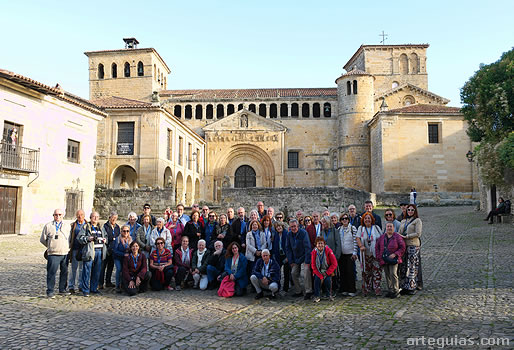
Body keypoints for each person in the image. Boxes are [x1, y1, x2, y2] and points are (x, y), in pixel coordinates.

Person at [40, 209, 71, 298]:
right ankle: (50, 291)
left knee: (64, 272)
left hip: (64, 253)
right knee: (51, 273)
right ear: (53, 215)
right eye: (56, 215)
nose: (57, 216)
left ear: (63, 215)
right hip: (53, 253)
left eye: (59, 215)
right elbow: (43, 239)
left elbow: (69, 238)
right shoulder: (48, 226)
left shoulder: (67, 226)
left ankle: (62, 289)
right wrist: (50, 246)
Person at [77, 211, 107, 297]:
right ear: (90, 218)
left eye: (97, 217)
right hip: (90, 251)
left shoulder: (101, 227)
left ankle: (94, 288)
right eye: (94, 217)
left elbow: (106, 237)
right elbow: (79, 238)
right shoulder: (86, 227)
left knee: (97, 271)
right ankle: (85, 290)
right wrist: (88, 238)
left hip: (100, 251)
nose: (95, 218)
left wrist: (105, 240)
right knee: (86, 271)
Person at [376, 222, 406, 298]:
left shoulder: (397, 236)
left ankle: (396, 290)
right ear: (386, 228)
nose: (389, 228)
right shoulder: (382, 237)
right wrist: (379, 257)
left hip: (394, 259)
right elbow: (377, 247)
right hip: (384, 259)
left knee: (393, 274)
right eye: (388, 226)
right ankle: (390, 290)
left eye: (391, 226)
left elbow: (402, 247)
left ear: (393, 228)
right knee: (387, 274)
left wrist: (395, 254)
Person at [356, 212, 383, 296]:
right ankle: (366, 289)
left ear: (372, 220)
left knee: (377, 271)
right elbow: (357, 238)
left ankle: (377, 288)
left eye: (369, 218)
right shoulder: (361, 228)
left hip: (375, 254)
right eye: (365, 218)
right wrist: (361, 246)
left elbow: (381, 239)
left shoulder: (376, 228)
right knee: (366, 272)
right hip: (365, 254)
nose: (367, 220)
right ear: (363, 220)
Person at [285, 219, 313, 300]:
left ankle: (308, 291)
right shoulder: (289, 235)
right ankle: (298, 291)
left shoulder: (303, 233)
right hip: (295, 258)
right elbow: (288, 248)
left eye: (294, 226)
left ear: (298, 226)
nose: (293, 228)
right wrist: (291, 261)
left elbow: (307, 248)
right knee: (293, 273)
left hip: (304, 256)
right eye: (291, 227)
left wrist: (307, 262)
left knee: (306, 271)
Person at [398, 204, 423, 295]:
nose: (410, 211)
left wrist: (407, 236)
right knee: (404, 266)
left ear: (415, 211)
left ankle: (412, 286)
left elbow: (418, 233)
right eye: (409, 210)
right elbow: (399, 232)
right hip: (404, 246)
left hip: (413, 245)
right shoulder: (403, 221)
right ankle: (404, 286)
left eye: (412, 210)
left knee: (412, 266)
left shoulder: (417, 221)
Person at [311, 237, 338, 302]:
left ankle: (329, 295)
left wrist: (327, 273)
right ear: (316, 245)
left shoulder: (328, 251)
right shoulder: (314, 252)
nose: (320, 245)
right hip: (318, 271)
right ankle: (317, 296)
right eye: (318, 243)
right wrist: (320, 275)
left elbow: (334, 263)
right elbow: (313, 265)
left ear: (324, 244)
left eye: (321, 243)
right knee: (317, 279)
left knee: (328, 280)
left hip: (327, 270)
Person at [338, 213, 358, 296]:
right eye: (343, 219)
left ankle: (352, 289)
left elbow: (355, 241)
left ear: (348, 220)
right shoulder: (339, 229)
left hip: (350, 253)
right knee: (343, 272)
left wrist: (355, 252)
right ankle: (344, 288)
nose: (344, 220)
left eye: (346, 218)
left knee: (350, 272)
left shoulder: (352, 228)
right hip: (342, 254)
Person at [68, 209, 86, 293]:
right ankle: (71, 286)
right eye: (78, 215)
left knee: (82, 269)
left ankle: (81, 285)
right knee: (73, 269)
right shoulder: (73, 225)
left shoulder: (87, 225)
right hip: (75, 249)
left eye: (81, 215)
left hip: (83, 250)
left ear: (84, 215)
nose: (80, 216)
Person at [100, 211, 119, 289]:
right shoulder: (105, 226)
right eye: (113, 218)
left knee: (110, 267)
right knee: (103, 267)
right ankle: (100, 283)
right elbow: (103, 236)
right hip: (106, 249)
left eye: (115, 218)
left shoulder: (117, 227)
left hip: (113, 250)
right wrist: (109, 240)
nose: (114, 219)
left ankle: (108, 282)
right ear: (109, 218)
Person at [272, 221, 290, 295]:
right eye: (277, 227)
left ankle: (285, 289)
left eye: (280, 226)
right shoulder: (276, 235)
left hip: (286, 255)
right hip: (278, 255)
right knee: (277, 272)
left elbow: (289, 246)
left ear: (282, 227)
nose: (279, 228)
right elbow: (274, 246)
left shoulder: (287, 234)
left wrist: (288, 257)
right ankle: (277, 288)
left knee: (286, 273)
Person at [113, 225, 132, 293]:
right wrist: (123, 254)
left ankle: (124, 284)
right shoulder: (117, 239)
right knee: (119, 269)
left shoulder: (130, 239)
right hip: (118, 257)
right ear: (121, 231)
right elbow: (115, 250)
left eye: (127, 231)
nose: (126, 232)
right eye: (124, 231)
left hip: (126, 258)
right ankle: (117, 285)